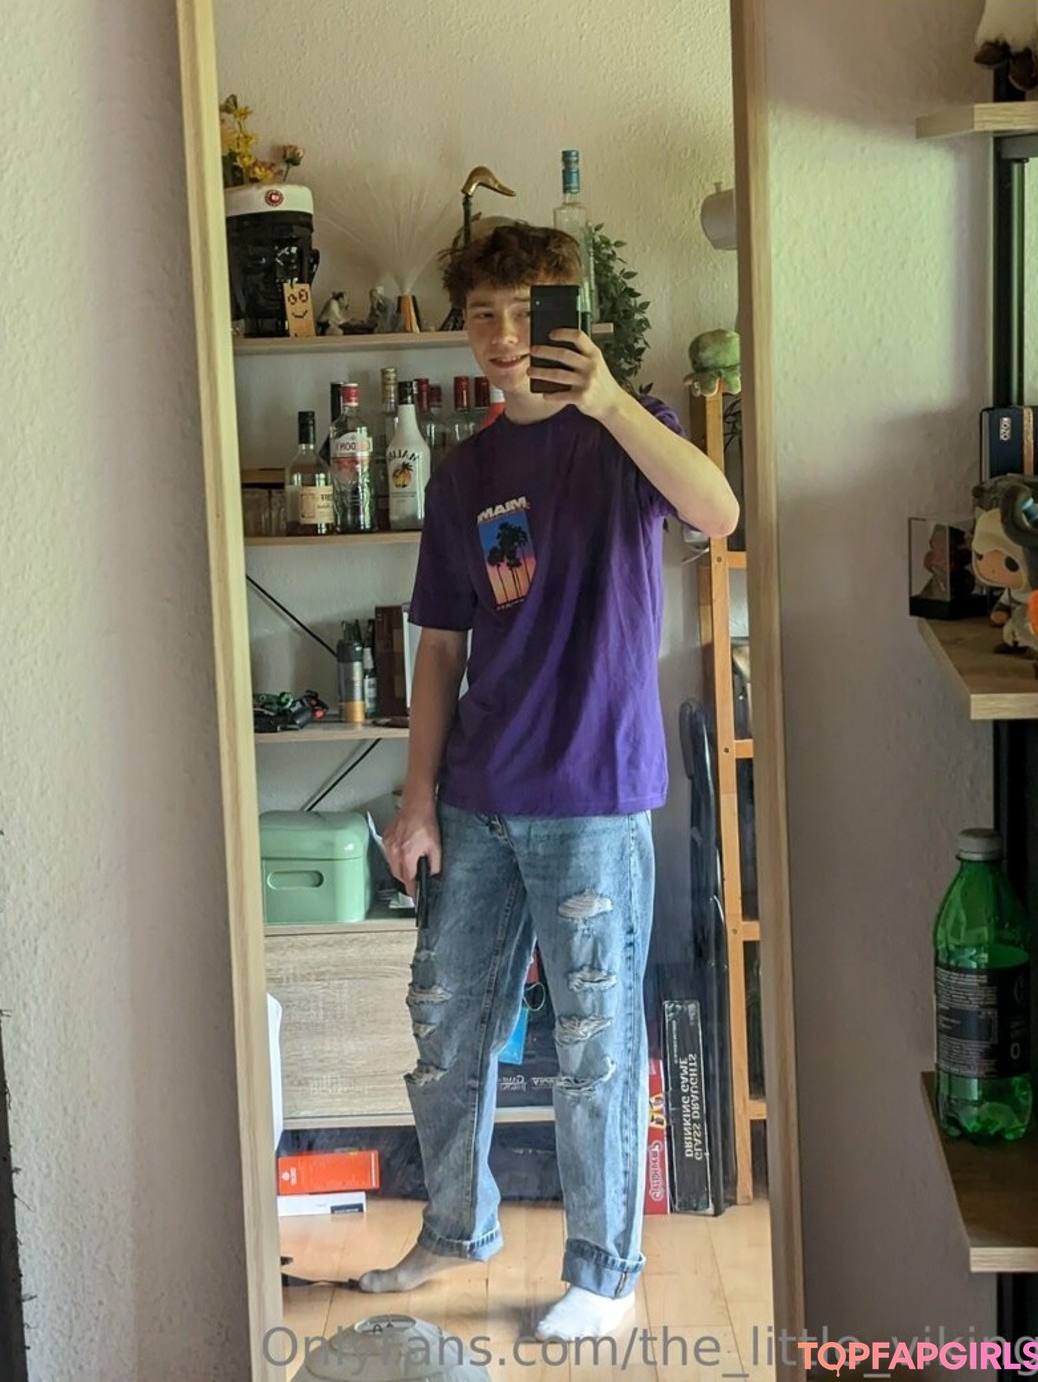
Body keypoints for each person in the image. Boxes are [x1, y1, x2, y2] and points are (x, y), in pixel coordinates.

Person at [358, 223, 739, 1341]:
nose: (505, 335)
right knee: (447, 1028)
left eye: (528, 311)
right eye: (483, 314)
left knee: (593, 1047)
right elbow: (440, 647)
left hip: (592, 798)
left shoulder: (627, 432)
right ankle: (454, 1227)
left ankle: (606, 1271)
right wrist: (416, 801)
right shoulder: (464, 473)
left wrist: (610, 398)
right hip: (477, 794)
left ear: (570, 316)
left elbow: (719, 513)